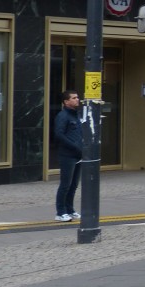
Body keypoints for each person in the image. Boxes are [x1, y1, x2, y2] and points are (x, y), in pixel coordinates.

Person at [53, 90, 83, 222]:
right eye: (74, 98)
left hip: (78, 155)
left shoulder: (76, 115)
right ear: (66, 102)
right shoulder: (63, 116)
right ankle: (60, 212)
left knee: (73, 185)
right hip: (67, 155)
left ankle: (70, 210)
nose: (77, 99)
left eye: (77, 97)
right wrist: (74, 146)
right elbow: (59, 134)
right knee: (65, 184)